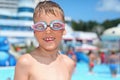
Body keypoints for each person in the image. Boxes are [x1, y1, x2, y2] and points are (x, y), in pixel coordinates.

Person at [14, 1, 75, 80]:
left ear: (64, 30)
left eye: (56, 25)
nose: (48, 30)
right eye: (41, 26)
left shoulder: (68, 64)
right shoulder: (26, 62)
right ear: (34, 32)